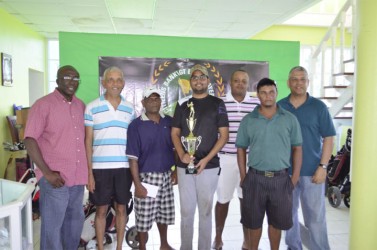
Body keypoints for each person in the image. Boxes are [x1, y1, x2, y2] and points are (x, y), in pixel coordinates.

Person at [24, 65, 87, 250]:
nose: (72, 81)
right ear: (58, 80)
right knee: (52, 229)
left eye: (76, 78)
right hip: (55, 179)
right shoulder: (43, 105)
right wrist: (47, 173)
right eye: (67, 77)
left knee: (74, 225)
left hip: (77, 179)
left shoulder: (80, 105)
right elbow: (29, 140)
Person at [236, 78, 303, 250]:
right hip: (255, 178)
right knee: (253, 223)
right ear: (258, 95)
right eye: (264, 92)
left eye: (271, 92)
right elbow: (241, 148)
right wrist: (244, 177)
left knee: (276, 223)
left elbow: (297, 149)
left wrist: (293, 179)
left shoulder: (289, 119)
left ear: (276, 93)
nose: (268, 96)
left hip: (281, 180)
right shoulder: (248, 120)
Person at [171, 64, 229, 250]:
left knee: (205, 211)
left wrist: (206, 159)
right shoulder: (182, 104)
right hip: (184, 165)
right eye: (194, 77)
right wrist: (182, 154)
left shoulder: (217, 104)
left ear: (208, 81)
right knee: (187, 211)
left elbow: (224, 136)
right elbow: (174, 133)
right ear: (190, 82)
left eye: (202, 77)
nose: (198, 80)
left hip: (209, 165)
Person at [278, 66, 336, 250]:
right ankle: (293, 247)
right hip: (285, 172)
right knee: (289, 216)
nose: (298, 83)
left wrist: (323, 166)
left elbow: (329, 137)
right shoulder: (280, 106)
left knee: (316, 218)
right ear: (288, 83)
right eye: (294, 79)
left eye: (302, 79)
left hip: (313, 172)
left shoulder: (319, 107)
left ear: (308, 82)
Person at [85, 66, 135, 250]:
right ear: (104, 83)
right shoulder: (92, 107)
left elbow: (133, 142)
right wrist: (89, 173)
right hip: (100, 169)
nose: (115, 83)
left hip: (123, 168)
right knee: (101, 210)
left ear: (123, 83)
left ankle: (119, 247)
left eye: (118, 80)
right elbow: (87, 141)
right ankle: (100, 247)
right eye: (110, 80)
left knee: (122, 209)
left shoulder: (130, 109)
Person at [212, 69, 260, 250]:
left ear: (248, 84)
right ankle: (218, 237)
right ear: (230, 83)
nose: (240, 84)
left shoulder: (256, 103)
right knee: (223, 200)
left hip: (249, 160)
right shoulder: (220, 103)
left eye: (243, 81)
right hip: (225, 158)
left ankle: (247, 240)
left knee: (246, 201)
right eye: (236, 80)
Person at [126, 86, 176, 250]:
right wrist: (138, 185)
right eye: (150, 99)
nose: (154, 102)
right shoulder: (135, 125)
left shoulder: (169, 121)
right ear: (143, 102)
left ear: (161, 101)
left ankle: (164, 244)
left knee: (164, 213)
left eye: (157, 98)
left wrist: (175, 171)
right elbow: (132, 159)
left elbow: (175, 149)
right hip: (147, 178)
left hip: (167, 176)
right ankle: (142, 247)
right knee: (144, 218)